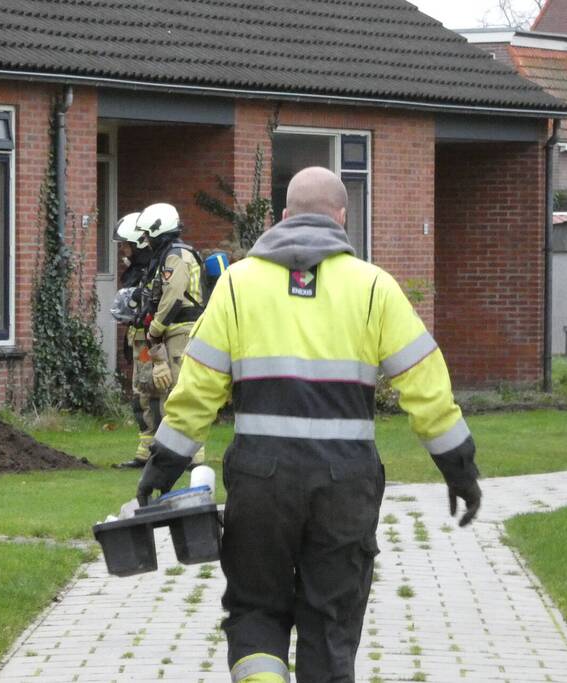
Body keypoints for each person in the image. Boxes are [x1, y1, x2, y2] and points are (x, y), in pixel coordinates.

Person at [137, 167, 482, 682]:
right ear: (342, 217)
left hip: (260, 482)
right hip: (345, 485)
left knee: (256, 610)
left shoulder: (237, 285)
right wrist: (459, 470)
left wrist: (162, 467)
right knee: (330, 624)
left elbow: (196, 391)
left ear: (282, 217)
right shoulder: (373, 288)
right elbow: (426, 389)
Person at [115, 203, 206, 469]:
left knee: (178, 392)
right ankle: (152, 450)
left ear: (158, 230)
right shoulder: (165, 256)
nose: (144, 241)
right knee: (148, 390)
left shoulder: (175, 256)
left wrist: (154, 329)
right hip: (163, 332)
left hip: (178, 330)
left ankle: (191, 455)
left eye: (146, 235)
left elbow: (173, 296)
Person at [109, 212, 161, 468]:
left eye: (126, 245)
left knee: (157, 393)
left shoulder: (152, 272)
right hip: (139, 339)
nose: (124, 251)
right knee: (141, 393)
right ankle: (146, 450)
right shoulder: (138, 273)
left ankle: (163, 450)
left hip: (154, 342)